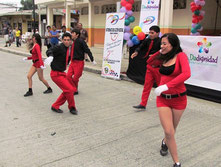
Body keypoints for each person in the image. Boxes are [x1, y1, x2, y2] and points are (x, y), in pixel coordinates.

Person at [154, 33, 191, 167]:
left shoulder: (181, 56)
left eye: (164, 43)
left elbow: (187, 73)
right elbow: (148, 62)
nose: (162, 45)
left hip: (179, 100)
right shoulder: (163, 57)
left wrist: (167, 85)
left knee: (171, 130)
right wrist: (159, 52)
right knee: (169, 131)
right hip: (163, 99)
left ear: (173, 44)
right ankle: (177, 162)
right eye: (161, 43)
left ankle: (165, 142)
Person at [44, 33, 77, 115]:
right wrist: (50, 56)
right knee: (69, 90)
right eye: (65, 40)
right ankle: (72, 107)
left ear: (70, 41)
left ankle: (55, 106)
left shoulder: (69, 48)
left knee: (70, 89)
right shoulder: (59, 47)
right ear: (62, 40)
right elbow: (49, 50)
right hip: (56, 74)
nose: (66, 42)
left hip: (62, 73)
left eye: (68, 40)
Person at [132, 25, 161, 109]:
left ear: (158, 33)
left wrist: (156, 56)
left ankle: (165, 103)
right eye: (149, 33)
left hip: (158, 68)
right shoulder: (147, 40)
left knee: (161, 87)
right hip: (149, 66)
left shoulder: (161, 42)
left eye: (152, 33)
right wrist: (136, 52)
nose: (150, 34)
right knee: (146, 86)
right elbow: (141, 47)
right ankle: (143, 103)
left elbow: (164, 52)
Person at [67, 28, 96, 95]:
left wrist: (92, 59)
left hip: (79, 63)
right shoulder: (72, 42)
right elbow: (71, 53)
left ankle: (75, 89)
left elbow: (87, 50)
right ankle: (73, 88)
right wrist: (67, 61)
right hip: (72, 62)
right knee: (68, 76)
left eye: (73, 33)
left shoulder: (81, 41)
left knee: (75, 78)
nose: (71, 34)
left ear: (77, 35)